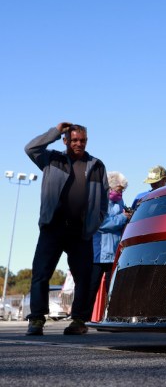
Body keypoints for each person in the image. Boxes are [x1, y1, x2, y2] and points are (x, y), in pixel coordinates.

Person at [24, 122, 109, 336]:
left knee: (84, 277)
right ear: (66, 141)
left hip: (80, 232)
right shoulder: (52, 159)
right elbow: (30, 148)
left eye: (82, 140)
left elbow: (104, 199)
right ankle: (36, 320)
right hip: (52, 227)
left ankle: (79, 320)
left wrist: (94, 223)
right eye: (74, 140)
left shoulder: (97, 165)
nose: (78, 144)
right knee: (41, 274)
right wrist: (55, 130)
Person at [89, 171, 132, 319]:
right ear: (110, 187)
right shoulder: (99, 200)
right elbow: (101, 223)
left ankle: (114, 316)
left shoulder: (119, 201)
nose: (121, 193)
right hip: (98, 252)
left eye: (122, 191)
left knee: (113, 287)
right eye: (119, 190)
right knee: (91, 287)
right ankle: (82, 318)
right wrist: (122, 218)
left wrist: (127, 216)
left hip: (113, 253)